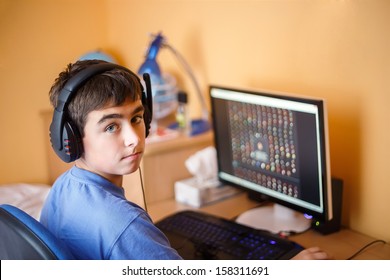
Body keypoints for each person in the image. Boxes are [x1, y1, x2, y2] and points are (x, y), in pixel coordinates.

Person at [40, 59, 331, 260]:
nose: (134, 138)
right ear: (73, 138)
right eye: (111, 126)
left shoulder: (62, 188)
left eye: (138, 117)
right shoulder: (125, 227)